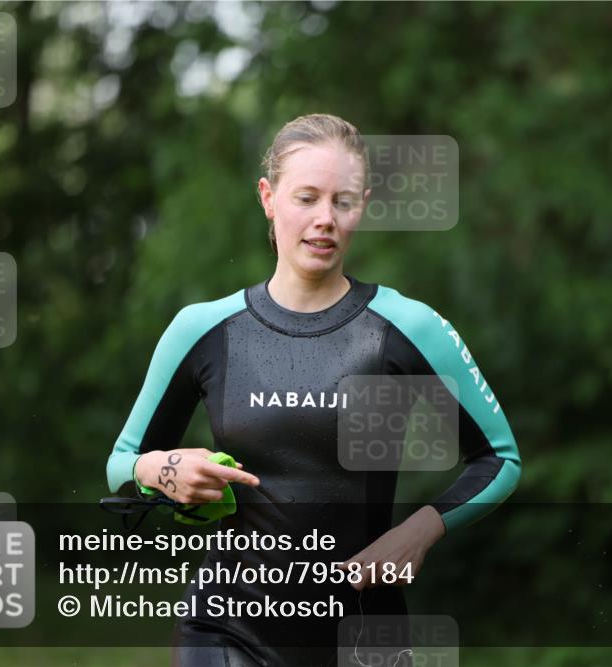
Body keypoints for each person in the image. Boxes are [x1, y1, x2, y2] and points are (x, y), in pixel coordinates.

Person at [105, 113, 521, 666]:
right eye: (306, 198)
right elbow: (121, 464)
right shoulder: (202, 330)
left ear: (362, 207)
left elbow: (499, 459)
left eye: (342, 201)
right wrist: (165, 470)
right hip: (225, 632)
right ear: (268, 197)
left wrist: (419, 532)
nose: (324, 219)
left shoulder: (407, 327)